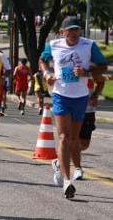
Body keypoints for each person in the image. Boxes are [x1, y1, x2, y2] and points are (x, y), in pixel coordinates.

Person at [40, 16, 107, 199]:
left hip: (80, 97)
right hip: (61, 95)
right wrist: (46, 74)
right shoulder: (53, 45)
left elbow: (103, 66)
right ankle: (67, 180)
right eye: (70, 30)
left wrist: (87, 73)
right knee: (63, 136)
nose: (74, 33)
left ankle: (58, 164)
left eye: (76, 29)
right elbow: (42, 60)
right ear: (63, 32)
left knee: (74, 139)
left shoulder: (88, 45)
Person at [72, 77, 105, 180]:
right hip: (74, 109)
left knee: (85, 145)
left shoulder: (92, 68)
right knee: (73, 139)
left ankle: (61, 158)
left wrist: (95, 95)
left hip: (89, 110)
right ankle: (78, 168)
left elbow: (101, 81)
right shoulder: (72, 65)